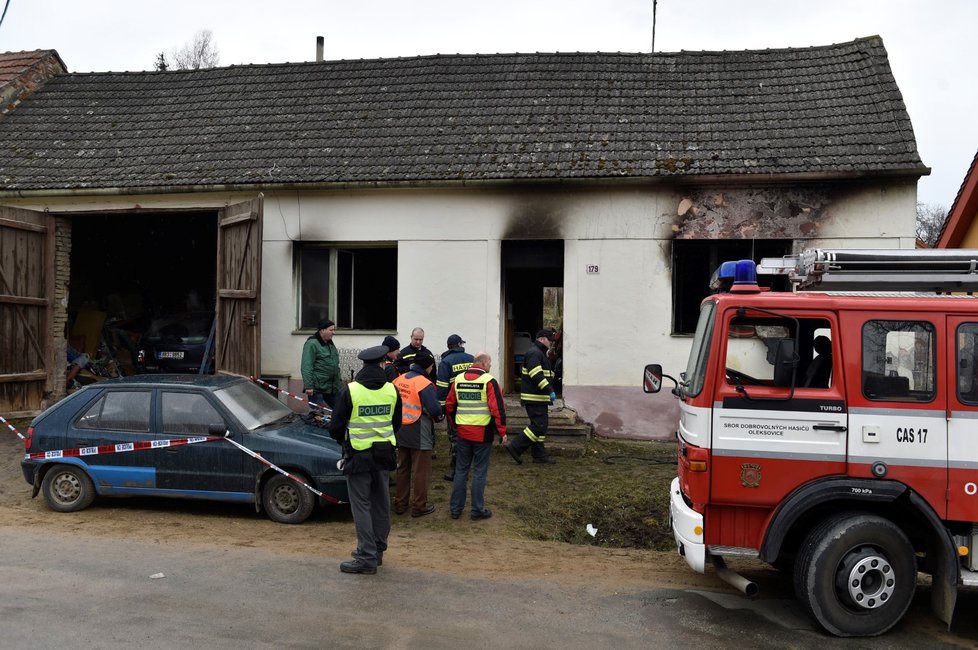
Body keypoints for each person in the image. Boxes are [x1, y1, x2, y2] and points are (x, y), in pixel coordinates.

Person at [328, 345, 402, 575]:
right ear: (382, 364)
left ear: (362, 365)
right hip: (384, 455)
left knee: (361, 506)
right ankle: (377, 550)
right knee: (381, 503)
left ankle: (366, 556)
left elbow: (336, 427)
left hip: (358, 456)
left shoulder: (350, 391)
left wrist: (346, 440)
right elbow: (396, 422)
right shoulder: (391, 390)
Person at [446, 351, 507, 520]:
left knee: (461, 470)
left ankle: (455, 509)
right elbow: (498, 409)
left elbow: (449, 406)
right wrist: (502, 432)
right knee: (479, 471)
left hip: (462, 432)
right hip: (482, 433)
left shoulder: (458, 379)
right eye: (490, 364)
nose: (490, 366)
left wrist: (455, 426)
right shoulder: (489, 381)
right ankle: (477, 510)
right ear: (484, 364)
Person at [392, 351, 443, 517]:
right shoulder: (424, 383)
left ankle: (400, 504)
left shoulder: (399, 379)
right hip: (418, 427)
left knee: (403, 468)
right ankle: (419, 506)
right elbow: (435, 409)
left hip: (400, 427)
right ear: (428, 367)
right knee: (421, 470)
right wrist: (439, 416)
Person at [506, 328, 557, 464]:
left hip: (538, 398)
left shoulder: (539, 353)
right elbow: (536, 375)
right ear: (541, 339)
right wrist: (549, 390)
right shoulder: (534, 353)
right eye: (549, 340)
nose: (551, 343)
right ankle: (515, 446)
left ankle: (539, 455)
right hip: (534, 397)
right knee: (538, 426)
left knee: (541, 426)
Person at [436, 334, 474, 482]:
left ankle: (458, 469)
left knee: (456, 438)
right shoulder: (472, 359)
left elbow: (442, 389)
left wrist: (442, 410)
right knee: (470, 434)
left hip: (455, 407)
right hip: (473, 405)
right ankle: (468, 464)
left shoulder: (446, 362)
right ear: (460, 345)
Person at [300, 319, 341, 410]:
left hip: (332, 387)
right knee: (317, 415)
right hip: (317, 388)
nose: (333, 332)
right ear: (322, 330)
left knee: (341, 410)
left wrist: (338, 381)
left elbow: (334, 364)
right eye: (331, 330)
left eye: (334, 330)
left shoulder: (329, 343)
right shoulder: (312, 344)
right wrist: (309, 386)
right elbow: (307, 366)